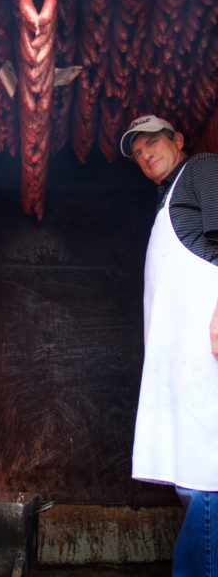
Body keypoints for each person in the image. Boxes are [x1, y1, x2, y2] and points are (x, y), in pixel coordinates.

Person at [120, 114, 218, 576]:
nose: (145, 156)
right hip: (183, 364)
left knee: (206, 476)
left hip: (208, 352)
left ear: (177, 140)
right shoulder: (166, 201)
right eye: (137, 153)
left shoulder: (203, 170)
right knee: (192, 475)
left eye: (152, 143)